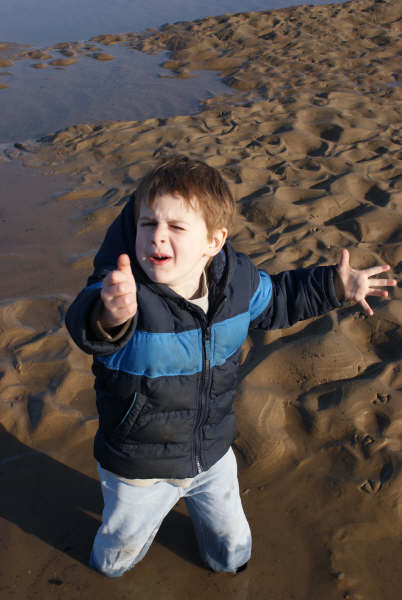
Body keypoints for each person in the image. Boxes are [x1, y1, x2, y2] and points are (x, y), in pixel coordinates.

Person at [65, 155, 396, 578]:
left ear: (214, 242)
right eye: (148, 224)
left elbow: (277, 299)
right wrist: (110, 315)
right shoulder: (124, 292)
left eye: (176, 227)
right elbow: (86, 324)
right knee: (116, 557)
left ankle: (227, 566)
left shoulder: (236, 283)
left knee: (233, 551)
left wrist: (335, 286)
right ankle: (106, 569)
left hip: (213, 452)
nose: (156, 238)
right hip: (139, 468)